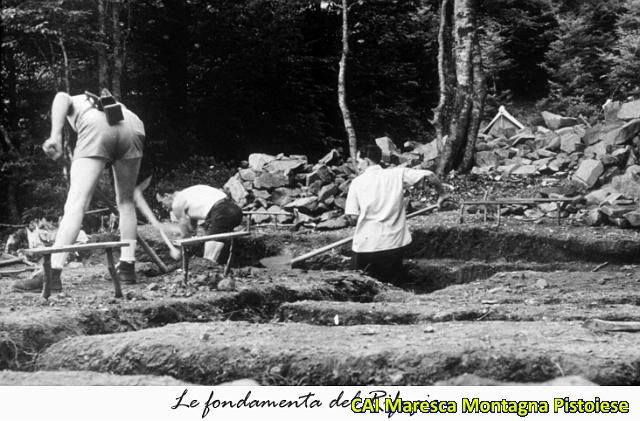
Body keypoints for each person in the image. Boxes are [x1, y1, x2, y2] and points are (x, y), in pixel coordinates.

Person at [13, 90, 145, 291]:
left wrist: (55, 136)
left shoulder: (76, 101)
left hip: (97, 125)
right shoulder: (105, 103)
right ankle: (127, 267)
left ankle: (52, 273)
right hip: (134, 125)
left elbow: (61, 96)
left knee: (76, 203)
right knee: (126, 202)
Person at [345, 144, 447, 283]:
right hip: (392, 245)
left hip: (365, 245)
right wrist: (442, 194)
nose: (358, 165)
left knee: (357, 286)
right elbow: (430, 174)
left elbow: (352, 217)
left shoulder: (357, 183)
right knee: (390, 287)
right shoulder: (397, 174)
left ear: (367, 161)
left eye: (358, 161)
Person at [156, 185, 243, 262]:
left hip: (221, 212)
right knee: (219, 241)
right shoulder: (188, 194)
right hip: (235, 210)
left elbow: (185, 228)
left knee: (208, 260)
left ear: (167, 196)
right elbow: (192, 228)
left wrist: (177, 246)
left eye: (161, 202)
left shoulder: (177, 203)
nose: (162, 206)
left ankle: (207, 275)